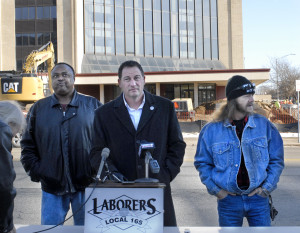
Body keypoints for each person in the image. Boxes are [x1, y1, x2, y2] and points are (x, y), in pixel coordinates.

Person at [90, 60, 186, 226]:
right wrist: (112, 176)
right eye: (127, 79)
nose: (133, 83)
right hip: (119, 193)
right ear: (119, 82)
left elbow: (177, 145)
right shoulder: (103, 114)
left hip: (157, 189)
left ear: (144, 79)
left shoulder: (165, 108)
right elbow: (96, 152)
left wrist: (166, 174)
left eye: (136, 78)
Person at [194, 75, 284, 226]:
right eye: (246, 96)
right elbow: (203, 164)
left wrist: (265, 189)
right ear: (232, 99)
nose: (252, 100)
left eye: (252, 95)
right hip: (228, 202)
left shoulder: (264, 126)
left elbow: (277, 160)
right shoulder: (211, 131)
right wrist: (218, 191)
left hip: (258, 201)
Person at [21, 63, 102, 225]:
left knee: (89, 230)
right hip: (52, 188)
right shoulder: (38, 109)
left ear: (74, 78)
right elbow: (27, 146)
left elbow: (106, 143)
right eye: (55, 76)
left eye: (65, 75)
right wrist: (39, 171)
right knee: (50, 230)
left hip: (86, 185)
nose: (60, 79)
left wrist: (96, 171)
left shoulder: (92, 106)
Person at [0, 101, 25, 233]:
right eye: (16, 133)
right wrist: (7, 225)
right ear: (11, 123)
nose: (14, 137)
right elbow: (4, 186)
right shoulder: (2, 129)